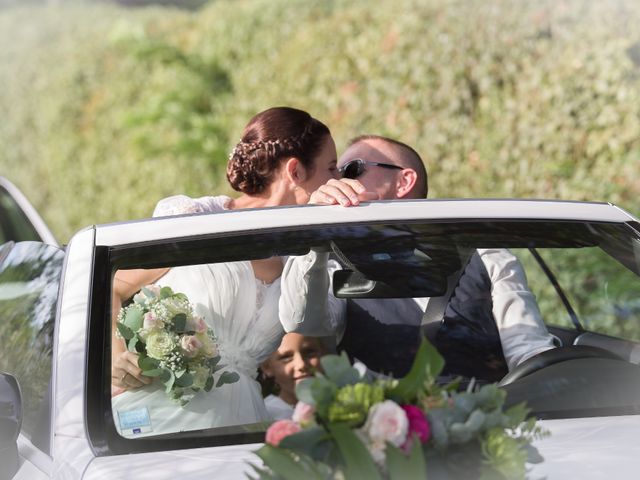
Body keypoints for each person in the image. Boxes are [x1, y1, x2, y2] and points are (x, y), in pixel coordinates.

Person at [110, 107, 341, 436]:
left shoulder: (301, 259)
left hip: (241, 424)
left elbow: (311, 322)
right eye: (331, 168)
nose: (337, 180)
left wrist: (319, 233)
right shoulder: (193, 217)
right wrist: (115, 364)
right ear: (296, 171)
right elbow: (113, 287)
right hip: (159, 416)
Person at [279, 134, 556, 381]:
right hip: (381, 434)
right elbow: (301, 320)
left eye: (351, 170)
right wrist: (315, 230)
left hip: (484, 427)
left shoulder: (486, 255)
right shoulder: (331, 265)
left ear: (404, 181)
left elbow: (528, 352)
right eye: (336, 174)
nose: (339, 182)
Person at [260, 333, 327, 420]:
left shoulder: (340, 404)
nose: (301, 364)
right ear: (267, 367)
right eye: (286, 357)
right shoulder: (264, 415)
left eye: (309, 352)